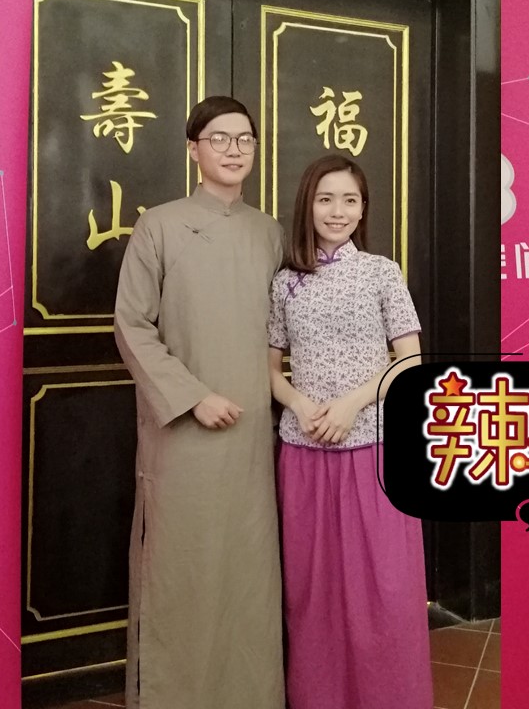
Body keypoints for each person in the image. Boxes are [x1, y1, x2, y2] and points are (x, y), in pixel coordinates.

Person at [113, 96, 286, 708]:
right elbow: (132, 326)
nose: (234, 150)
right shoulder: (159, 225)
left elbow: (287, 328)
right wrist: (192, 397)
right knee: (182, 566)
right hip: (185, 431)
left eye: (244, 139)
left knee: (248, 568)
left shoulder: (270, 232)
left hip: (253, 434)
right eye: (219, 138)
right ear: (193, 149)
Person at [267, 154, 430, 708]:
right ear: (307, 206)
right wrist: (300, 403)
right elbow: (269, 369)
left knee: (385, 589)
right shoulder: (285, 282)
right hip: (304, 450)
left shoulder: (382, 272)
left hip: (375, 449)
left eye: (350, 200)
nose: (337, 211)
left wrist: (352, 404)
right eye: (325, 199)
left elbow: (410, 363)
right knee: (313, 589)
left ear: (363, 210)